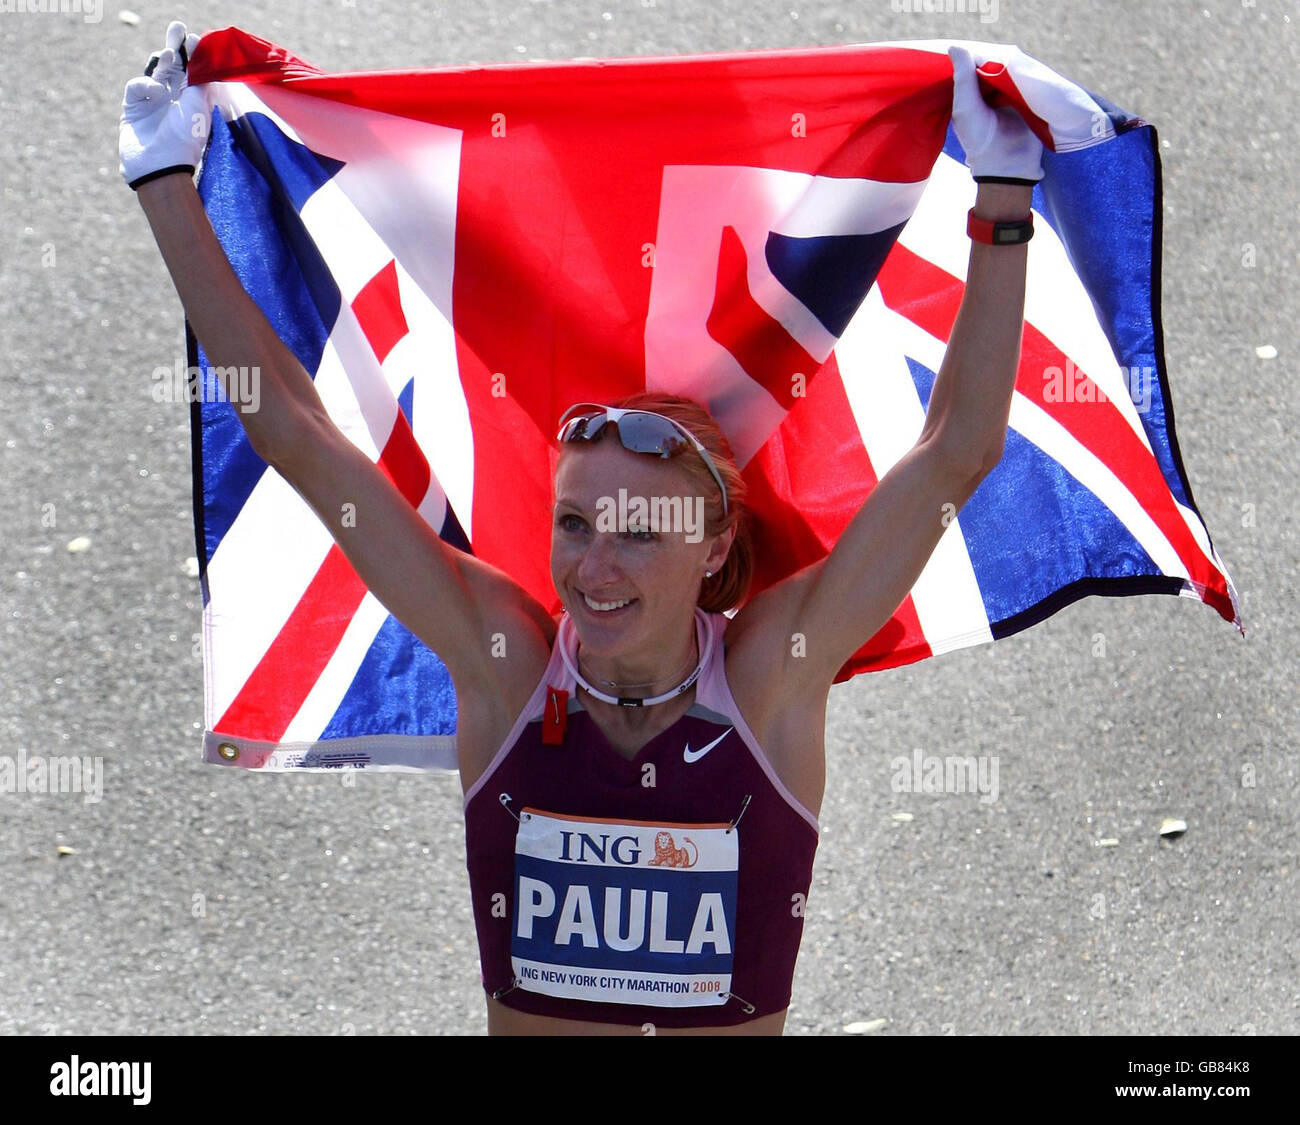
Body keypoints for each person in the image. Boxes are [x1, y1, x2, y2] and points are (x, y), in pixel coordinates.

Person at [122, 22, 1042, 1035]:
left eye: (640, 533)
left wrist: (1001, 205)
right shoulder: (505, 662)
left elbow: (955, 453)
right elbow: (297, 437)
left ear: (716, 548)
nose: (591, 568)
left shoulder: (773, 672)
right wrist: (166, 181)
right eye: (573, 524)